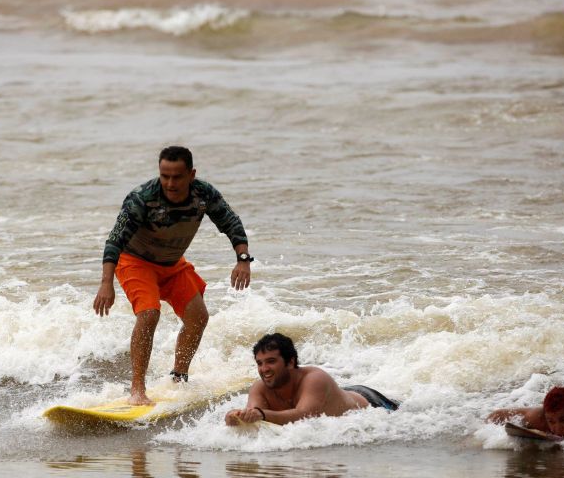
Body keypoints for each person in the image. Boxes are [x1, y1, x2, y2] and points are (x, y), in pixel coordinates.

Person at [93, 145, 252, 405]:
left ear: (191, 174)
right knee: (149, 313)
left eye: (177, 176)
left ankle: (179, 379)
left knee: (198, 317)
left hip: (172, 264)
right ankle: (137, 391)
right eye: (165, 175)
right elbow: (114, 241)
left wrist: (243, 259)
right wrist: (105, 284)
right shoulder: (142, 197)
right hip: (135, 262)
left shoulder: (204, 194)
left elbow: (230, 222)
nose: (170, 183)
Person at [225, 333, 399, 426]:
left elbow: (304, 416)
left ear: (290, 361)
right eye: (260, 363)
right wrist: (236, 417)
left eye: (271, 361)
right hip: (328, 396)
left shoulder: (315, 379)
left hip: (370, 401)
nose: (264, 370)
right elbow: (254, 415)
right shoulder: (259, 388)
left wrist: (261, 414)